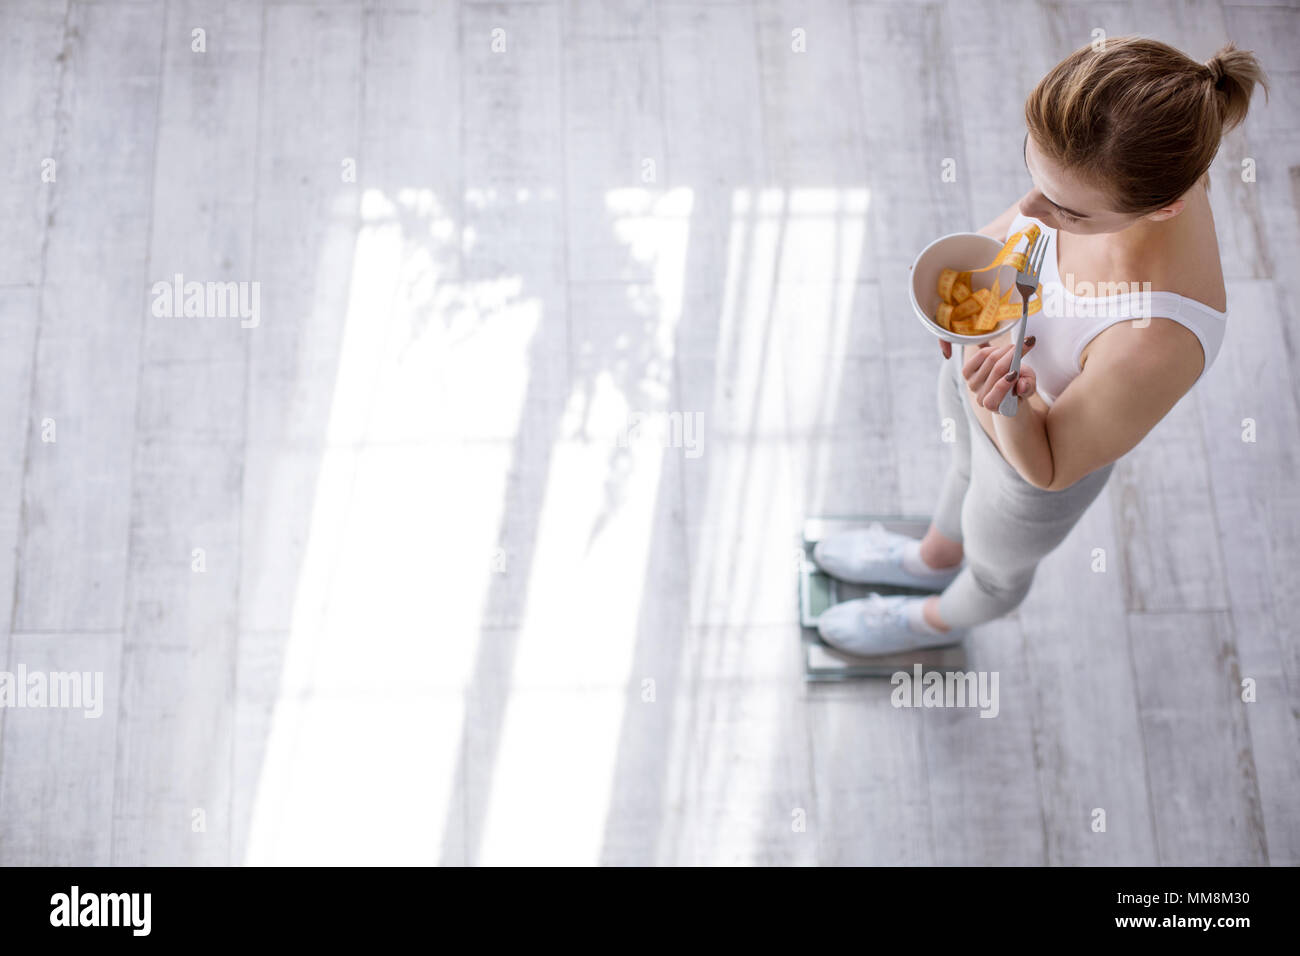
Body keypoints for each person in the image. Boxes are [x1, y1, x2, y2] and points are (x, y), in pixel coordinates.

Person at [815, 36, 1269, 656]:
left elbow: (1049, 469)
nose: (1031, 209)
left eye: (1066, 212)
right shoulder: (1121, 151)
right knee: (961, 473)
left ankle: (929, 621)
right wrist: (966, 288)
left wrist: (1006, 400)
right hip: (979, 384)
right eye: (1033, 170)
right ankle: (930, 559)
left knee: (994, 570)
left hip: (1022, 468)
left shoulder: (1159, 338)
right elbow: (1023, 224)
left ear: (1166, 209)